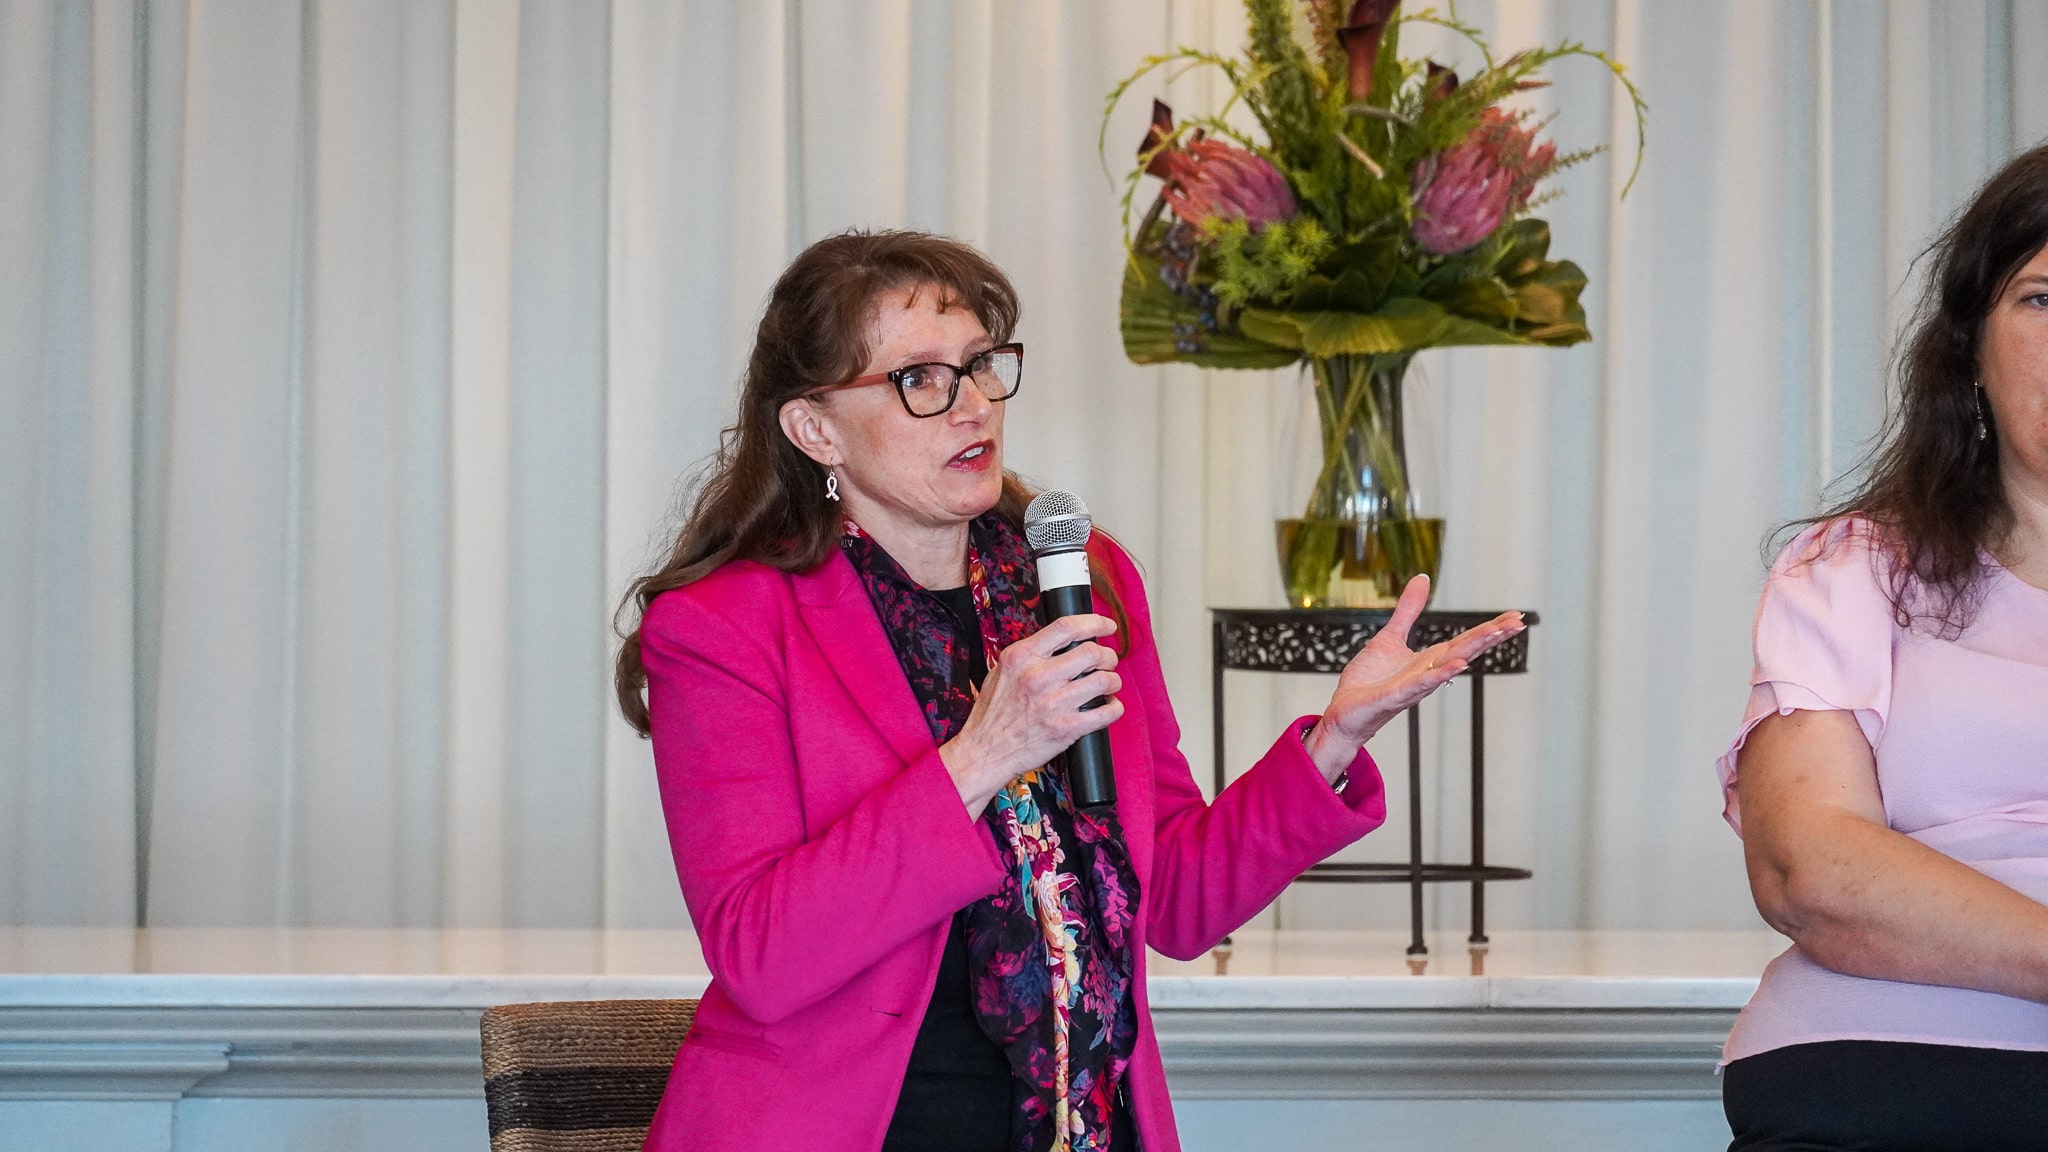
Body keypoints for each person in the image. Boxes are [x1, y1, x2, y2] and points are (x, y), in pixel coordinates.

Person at [612, 229, 1523, 1152]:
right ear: (816, 429)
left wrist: (1335, 739)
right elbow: (761, 954)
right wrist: (983, 754)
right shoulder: (725, 627)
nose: (973, 405)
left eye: (980, 365)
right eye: (920, 379)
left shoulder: (1083, 581)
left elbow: (1175, 898)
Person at [1718, 143, 2048, 1151]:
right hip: (1875, 1076)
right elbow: (1807, 870)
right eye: (2041, 300)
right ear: (1970, 348)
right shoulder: (1855, 569)